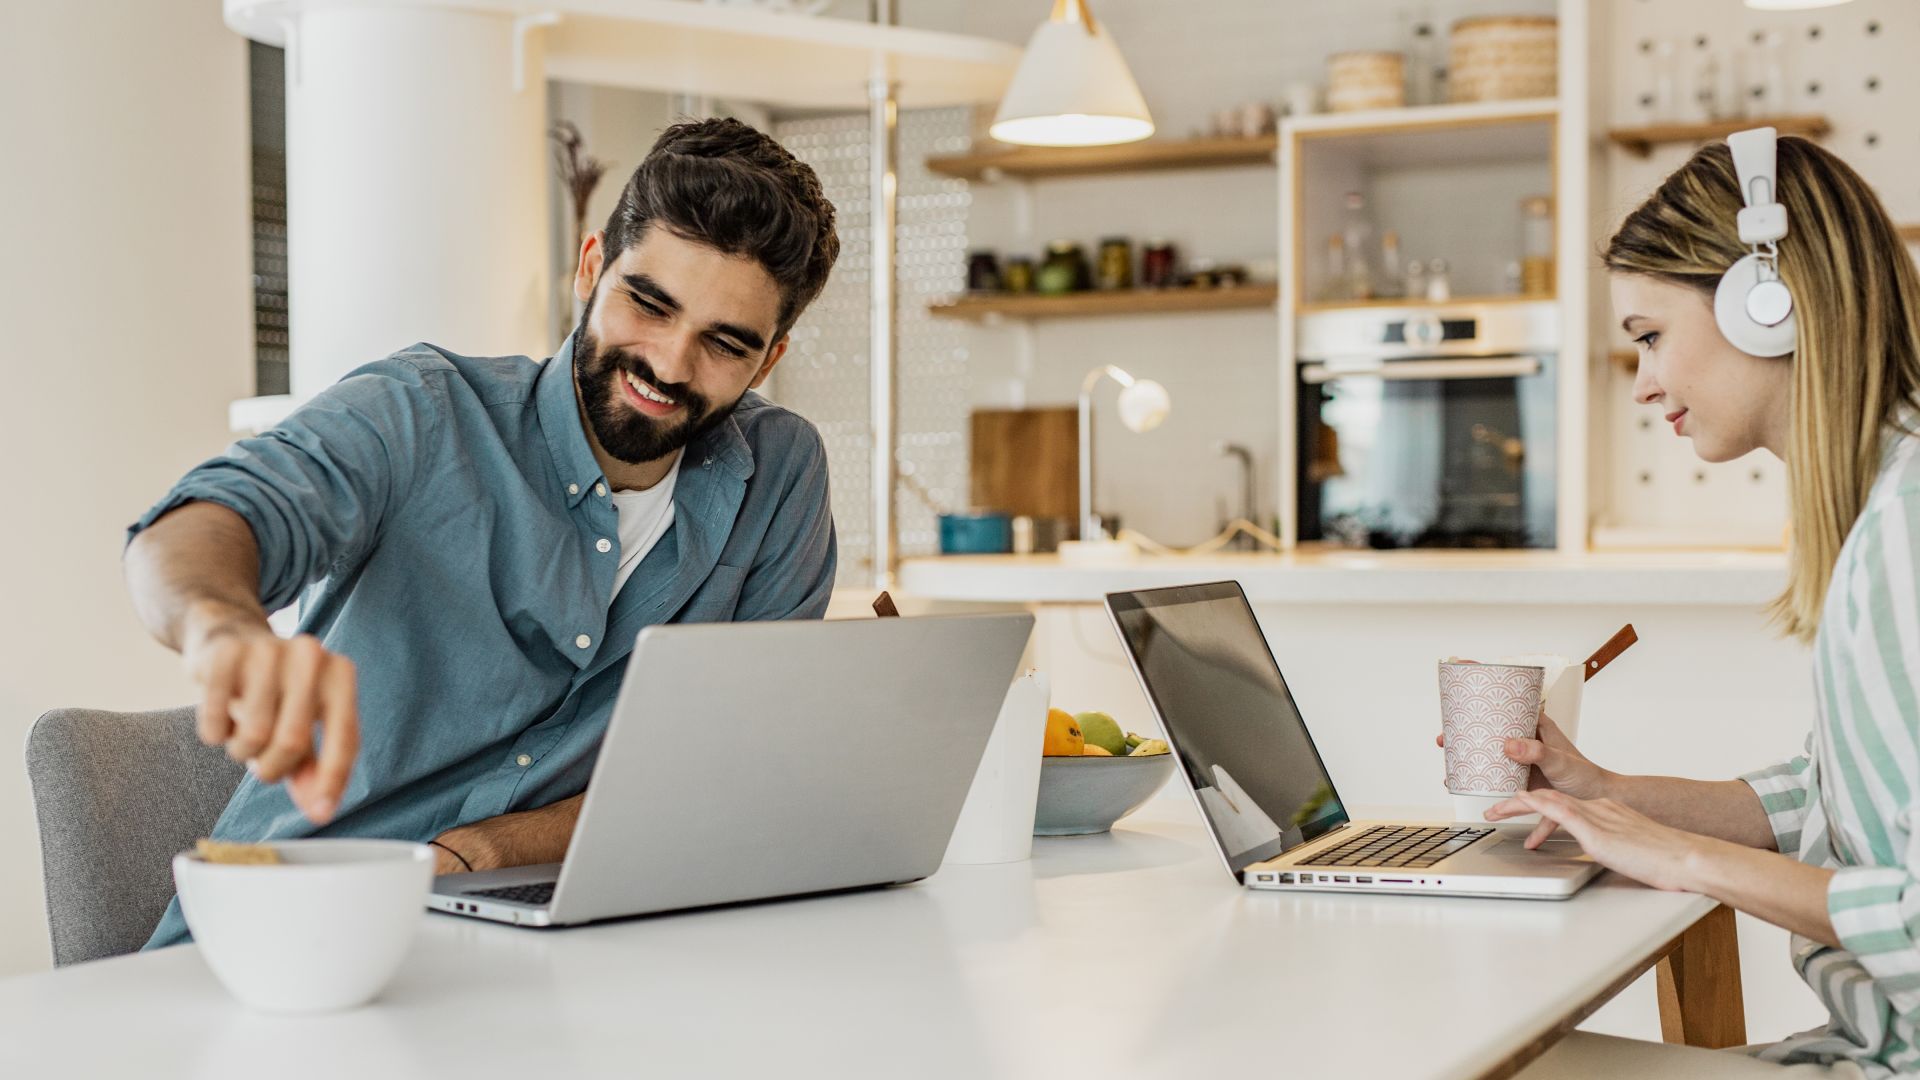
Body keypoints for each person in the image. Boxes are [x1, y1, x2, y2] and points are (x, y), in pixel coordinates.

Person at [124, 117, 841, 950]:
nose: (670, 365)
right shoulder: (422, 413)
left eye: (725, 344)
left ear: (770, 356)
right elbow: (197, 526)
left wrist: (483, 854)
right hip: (287, 941)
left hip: (554, 950)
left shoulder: (781, 475)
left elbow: (733, 771)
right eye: (648, 304)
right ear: (590, 266)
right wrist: (220, 627)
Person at [1488, 131, 1920, 1078]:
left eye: (1649, 336)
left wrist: (1681, 859)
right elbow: (1835, 800)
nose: (1643, 383)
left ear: (1769, 304)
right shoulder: (1881, 510)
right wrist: (1610, 798)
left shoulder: (1909, 529)